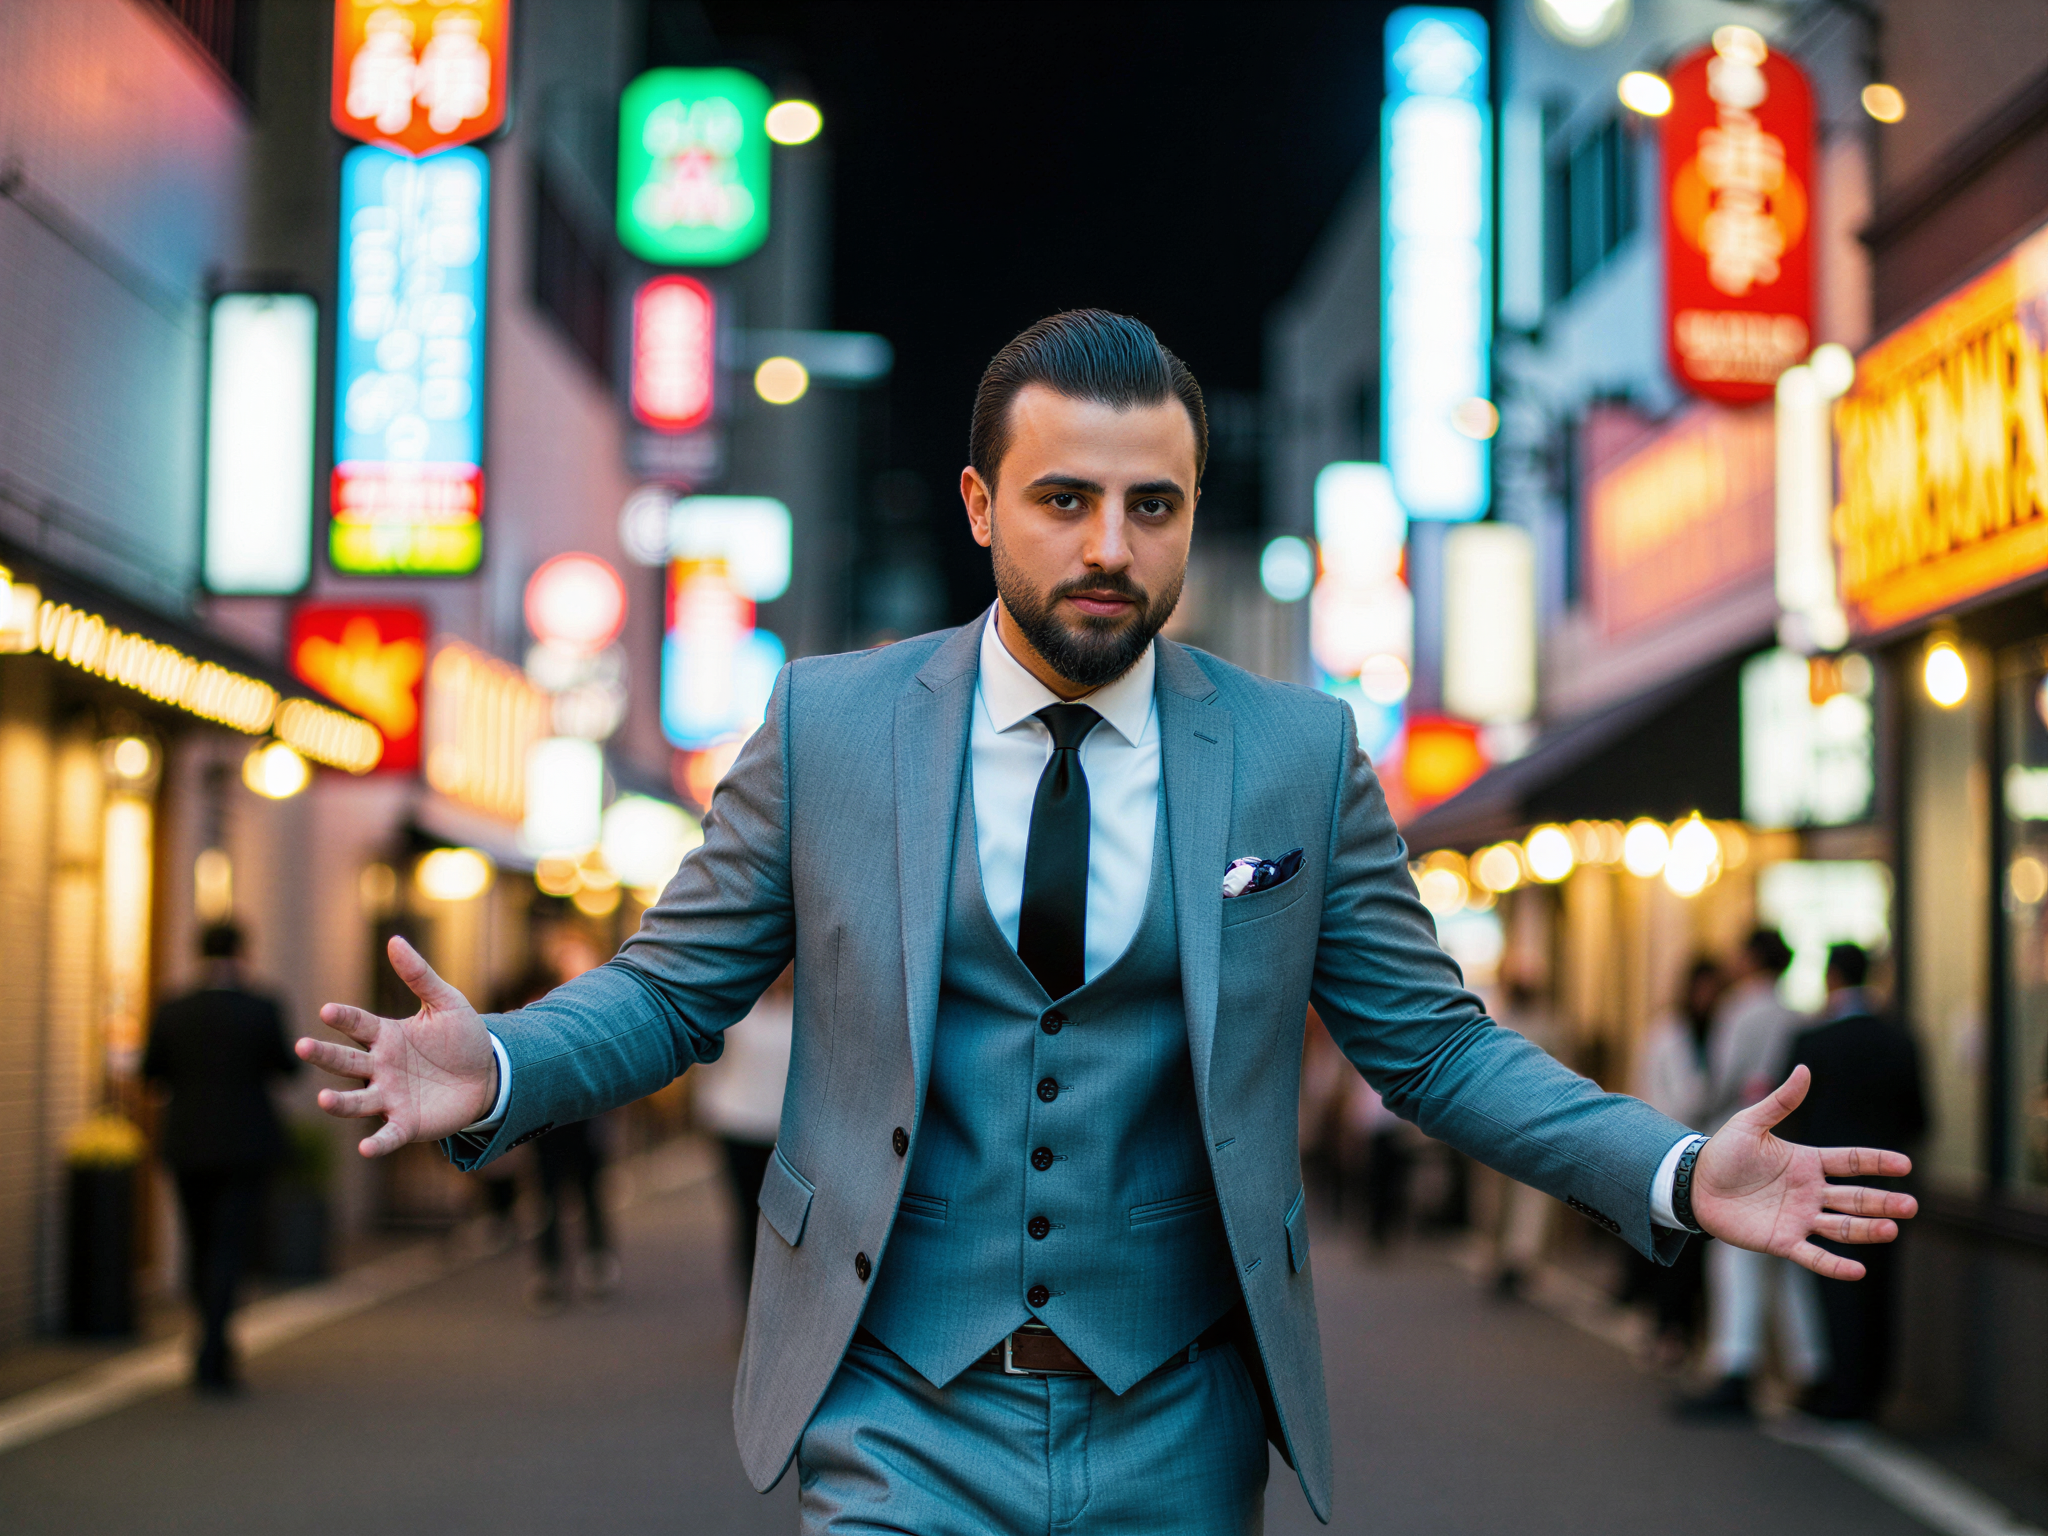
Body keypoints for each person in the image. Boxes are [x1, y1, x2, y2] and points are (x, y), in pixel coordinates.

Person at [300, 310, 1917, 1532]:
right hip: (895, 1408)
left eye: (1152, 506)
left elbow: (1430, 1052)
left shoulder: (1292, 755)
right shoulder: (828, 726)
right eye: (1063, 498)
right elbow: (671, 992)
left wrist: (1673, 1169)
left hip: (1178, 1418)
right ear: (978, 504)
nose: (1107, 546)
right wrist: (501, 1066)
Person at [142, 922, 297, 1392]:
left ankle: (207, 1340)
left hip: (188, 1141)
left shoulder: (172, 1007)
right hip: (247, 1142)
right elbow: (285, 1069)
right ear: (242, 952)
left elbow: (152, 1073)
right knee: (231, 1244)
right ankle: (215, 1347)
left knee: (199, 1240)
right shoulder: (262, 1006)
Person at [1682, 929, 1827, 1418]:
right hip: (1791, 1145)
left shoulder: (1739, 1010)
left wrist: (1689, 1114)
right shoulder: (1798, 1012)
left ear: (1750, 958)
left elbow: (1719, 1081)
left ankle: (1735, 1368)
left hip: (1737, 1145)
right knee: (1790, 1258)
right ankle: (1811, 1369)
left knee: (1734, 1260)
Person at [1782, 944, 1928, 1420]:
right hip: (1889, 1185)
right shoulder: (1901, 1038)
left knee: (1835, 1282)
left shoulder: (1813, 1042)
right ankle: (1872, 1393)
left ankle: (1842, 1393)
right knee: (1882, 1286)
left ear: (1832, 979)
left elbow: (1791, 1120)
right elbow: (1920, 1119)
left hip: (1826, 1185)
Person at [1629, 958, 1720, 1361]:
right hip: (1668, 1152)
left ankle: (1686, 1330)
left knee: (1696, 1252)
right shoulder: (1667, 1033)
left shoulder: (1720, 1031)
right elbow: (1659, 1092)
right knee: (1671, 1247)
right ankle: (1667, 1328)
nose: (1708, 997)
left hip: (1709, 1156)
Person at [694, 965, 796, 1303]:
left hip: (787, 1133)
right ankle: (751, 1305)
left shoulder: (808, 1012)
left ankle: (781, 1305)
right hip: (737, 1126)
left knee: (786, 1224)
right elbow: (711, 1065)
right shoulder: (740, 1011)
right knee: (746, 1216)